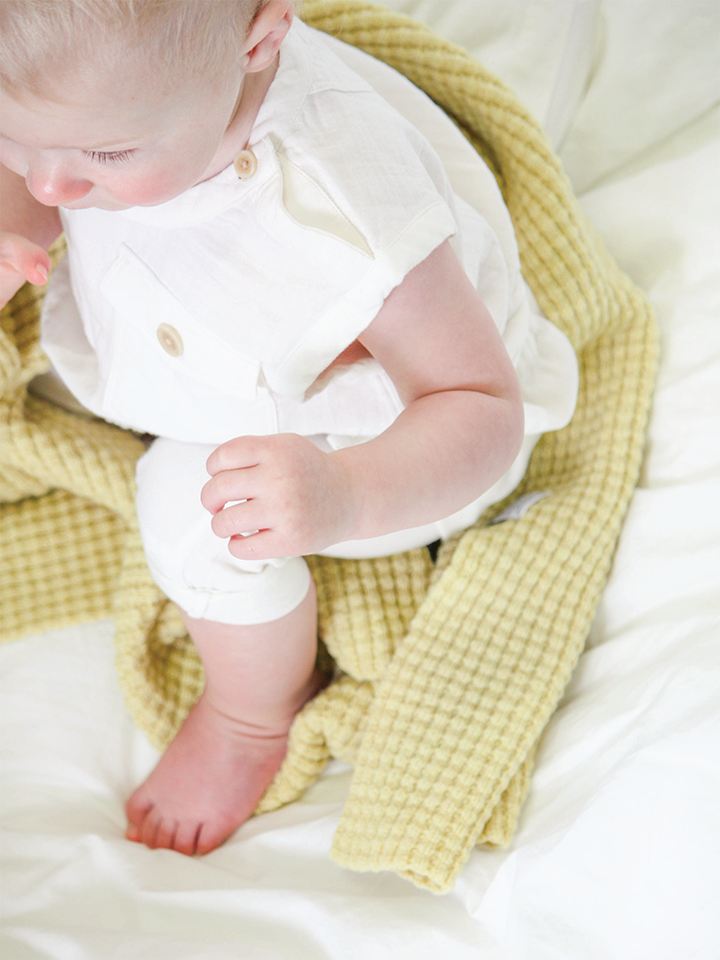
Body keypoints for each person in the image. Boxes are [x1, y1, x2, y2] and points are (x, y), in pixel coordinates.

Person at [0, 0, 578, 856]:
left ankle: (252, 712)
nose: (53, 183)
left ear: (261, 41)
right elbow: (51, 151)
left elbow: (481, 405)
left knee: (188, 509)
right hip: (208, 339)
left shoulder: (340, 211)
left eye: (107, 155)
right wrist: (15, 219)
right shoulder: (129, 91)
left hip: (381, 447)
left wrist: (343, 494)